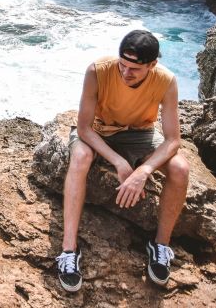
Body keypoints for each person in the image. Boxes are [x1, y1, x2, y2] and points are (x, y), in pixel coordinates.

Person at [55, 30, 189, 293]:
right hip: (98, 132)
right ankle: (69, 251)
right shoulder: (97, 71)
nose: (126, 73)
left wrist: (145, 169)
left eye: (134, 69)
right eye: (122, 65)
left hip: (140, 134)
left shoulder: (166, 81)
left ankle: (160, 246)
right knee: (80, 157)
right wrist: (118, 161)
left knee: (180, 168)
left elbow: (173, 139)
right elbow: (83, 129)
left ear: (152, 65)